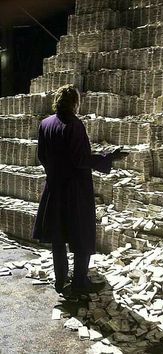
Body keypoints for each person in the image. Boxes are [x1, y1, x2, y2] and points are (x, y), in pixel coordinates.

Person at [33, 85, 127, 297]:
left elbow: (41, 156)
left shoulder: (45, 123)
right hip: (75, 190)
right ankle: (79, 282)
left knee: (59, 236)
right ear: (74, 103)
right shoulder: (74, 125)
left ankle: (60, 280)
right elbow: (80, 159)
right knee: (81, 235)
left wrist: (54, 172)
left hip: (54, 188)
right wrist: (108, 158)